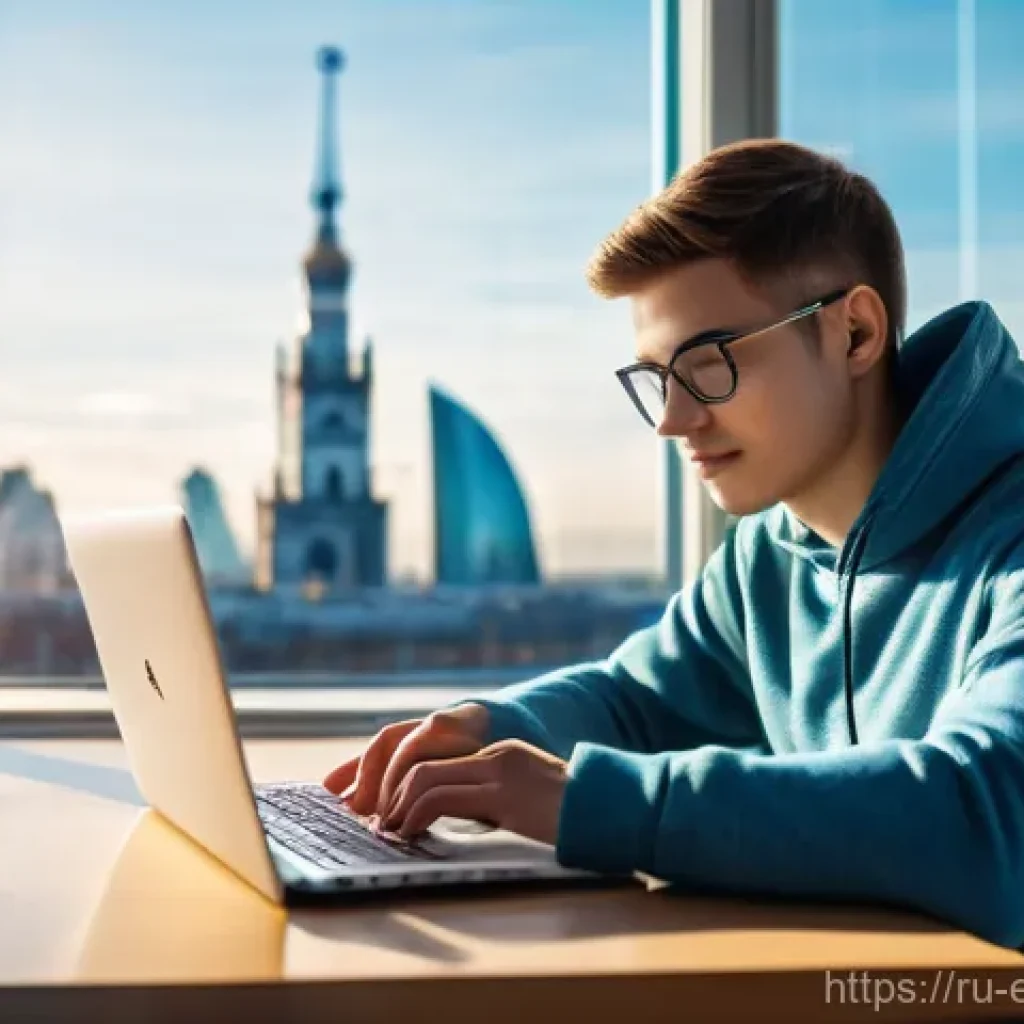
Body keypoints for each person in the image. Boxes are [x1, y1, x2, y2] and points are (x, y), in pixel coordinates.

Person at [323, 139, 1024, 949]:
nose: (672, 420)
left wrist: (591, 802)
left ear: (855, 334)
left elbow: (991, 812)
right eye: (658, 377)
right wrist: (493, 729)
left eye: (711, 363)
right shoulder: (767, 554)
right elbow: (639, 703)